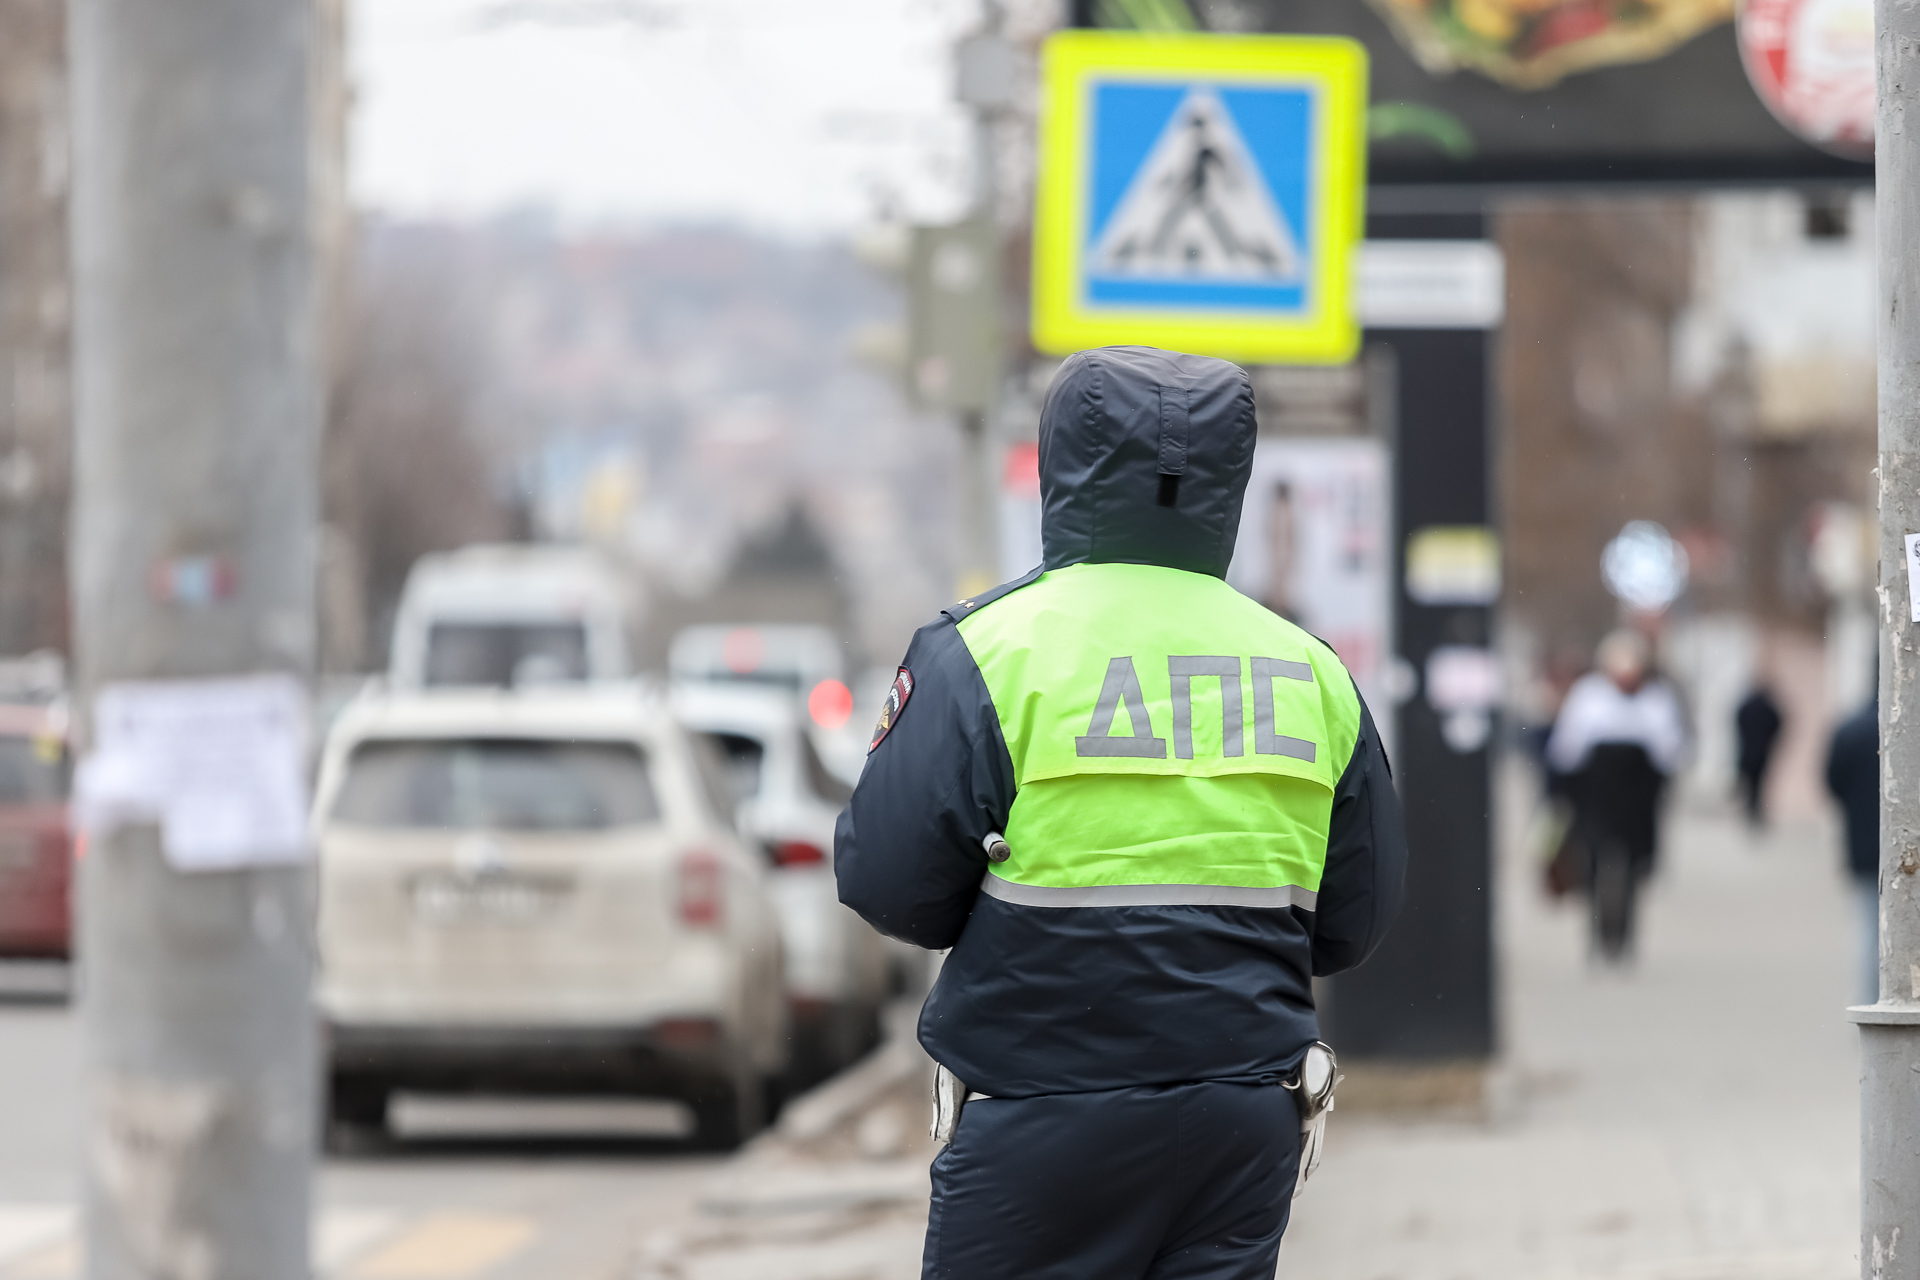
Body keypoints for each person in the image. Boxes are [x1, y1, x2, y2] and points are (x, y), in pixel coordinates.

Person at [834, 346, 1407, 1280]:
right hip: (1241, 1124)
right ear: (1231, 479)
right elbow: (1354, 920)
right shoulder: (1310, 671)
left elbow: (889, 885)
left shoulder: (986, 652)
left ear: (1065, 463)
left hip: (1042, 1114)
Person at [1545, 629, 1687, 960]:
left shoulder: (1656, 699)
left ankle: (1625, 937)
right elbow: (1568, 748)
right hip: (1597, 793)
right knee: (1592, 863)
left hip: (1636, 796)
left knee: (1635, 867)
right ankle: (1596, 935)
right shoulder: (1589, 697)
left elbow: (1669, 750)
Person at [1826, 696, 1878, 1003]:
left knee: (1867, 929)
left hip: (1862, 844)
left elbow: (1832, 781)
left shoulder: (1851, 729)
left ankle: (1869, 1003)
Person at [1734, 682, 1784, 828]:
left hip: (1748, 751)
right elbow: (1777, 722)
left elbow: (1738, 719)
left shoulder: (1747, 707)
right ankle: (1755, 812)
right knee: (1759, 784)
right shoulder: (1767, 709)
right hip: (1762, 752)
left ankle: (1752, 811)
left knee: (1751, 783)